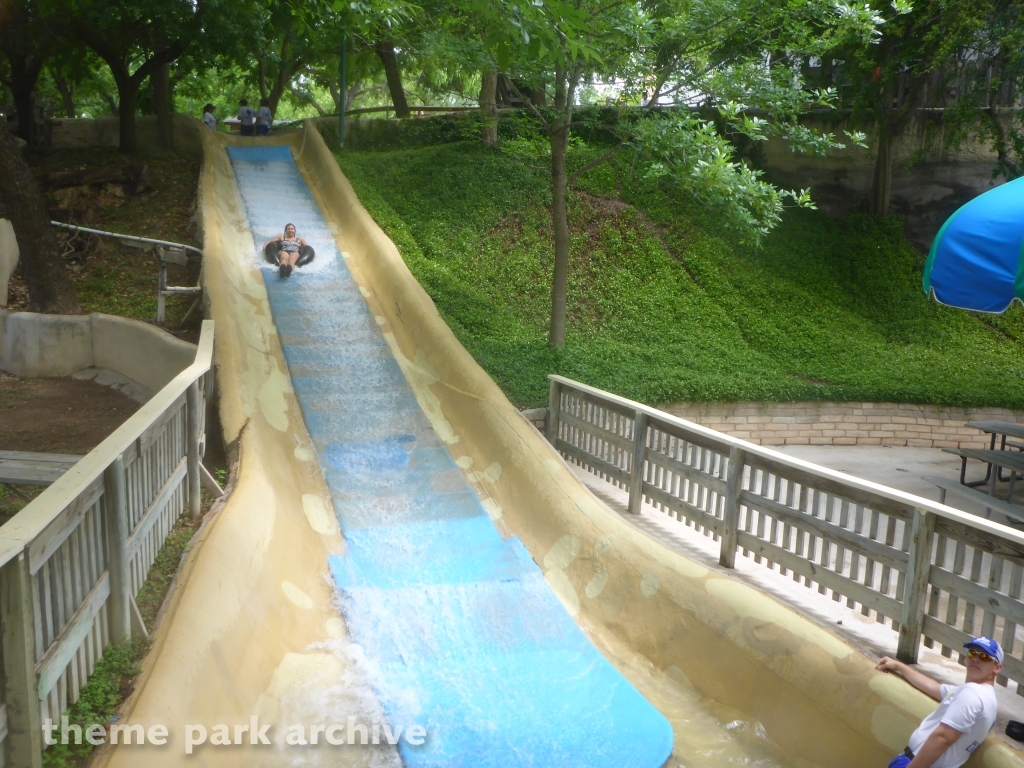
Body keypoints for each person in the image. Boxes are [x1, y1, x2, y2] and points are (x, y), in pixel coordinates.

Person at [876, 636, 1001, 768]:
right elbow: (934, 687)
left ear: (997, 668)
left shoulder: (972, 694)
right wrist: (899, 666)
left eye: (985, 657)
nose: (976, 658)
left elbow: (943, 738)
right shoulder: (980, 695)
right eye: (972, 653)